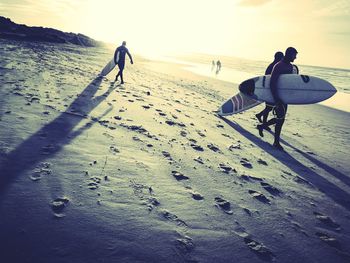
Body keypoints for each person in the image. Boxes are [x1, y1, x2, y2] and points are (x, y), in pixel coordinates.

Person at [257, 47, 298, 150]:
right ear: (288, 54)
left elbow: (289, 83)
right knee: (280, 119)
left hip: (285, 97)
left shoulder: (290, 67)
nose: (295, 57)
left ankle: (262, 126)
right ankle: (276, 142)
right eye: (294, 55)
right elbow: (272, 83)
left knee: (281, 119)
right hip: (277, 97)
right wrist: (276, 99)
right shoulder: (279, 66)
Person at [255, 51, 284, 125]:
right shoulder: (274, 66)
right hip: (269, 89)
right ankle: (261, 118)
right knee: (269, 107)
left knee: (269, 107)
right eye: (282, 57)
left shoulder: (272, 65)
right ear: (280, 57)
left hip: (268, 89)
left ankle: (261, 117)